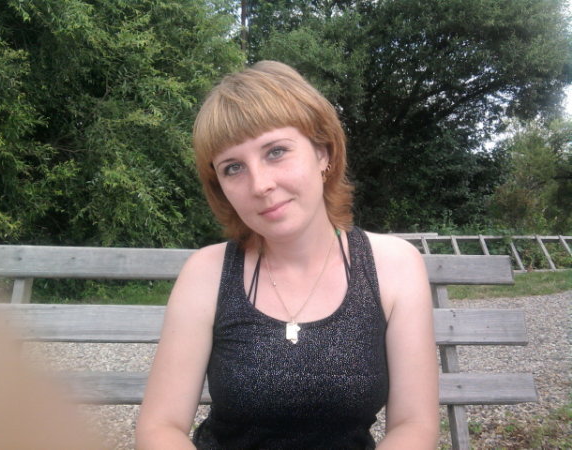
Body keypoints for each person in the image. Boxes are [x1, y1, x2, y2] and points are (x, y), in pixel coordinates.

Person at [135, 61, 438, 449]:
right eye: (233, 168)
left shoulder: (394, 267)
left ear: (323, 153)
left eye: (276, 151)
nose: (259, 185)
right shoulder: (206, 274)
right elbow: (160, 427)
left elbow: (414, 425)